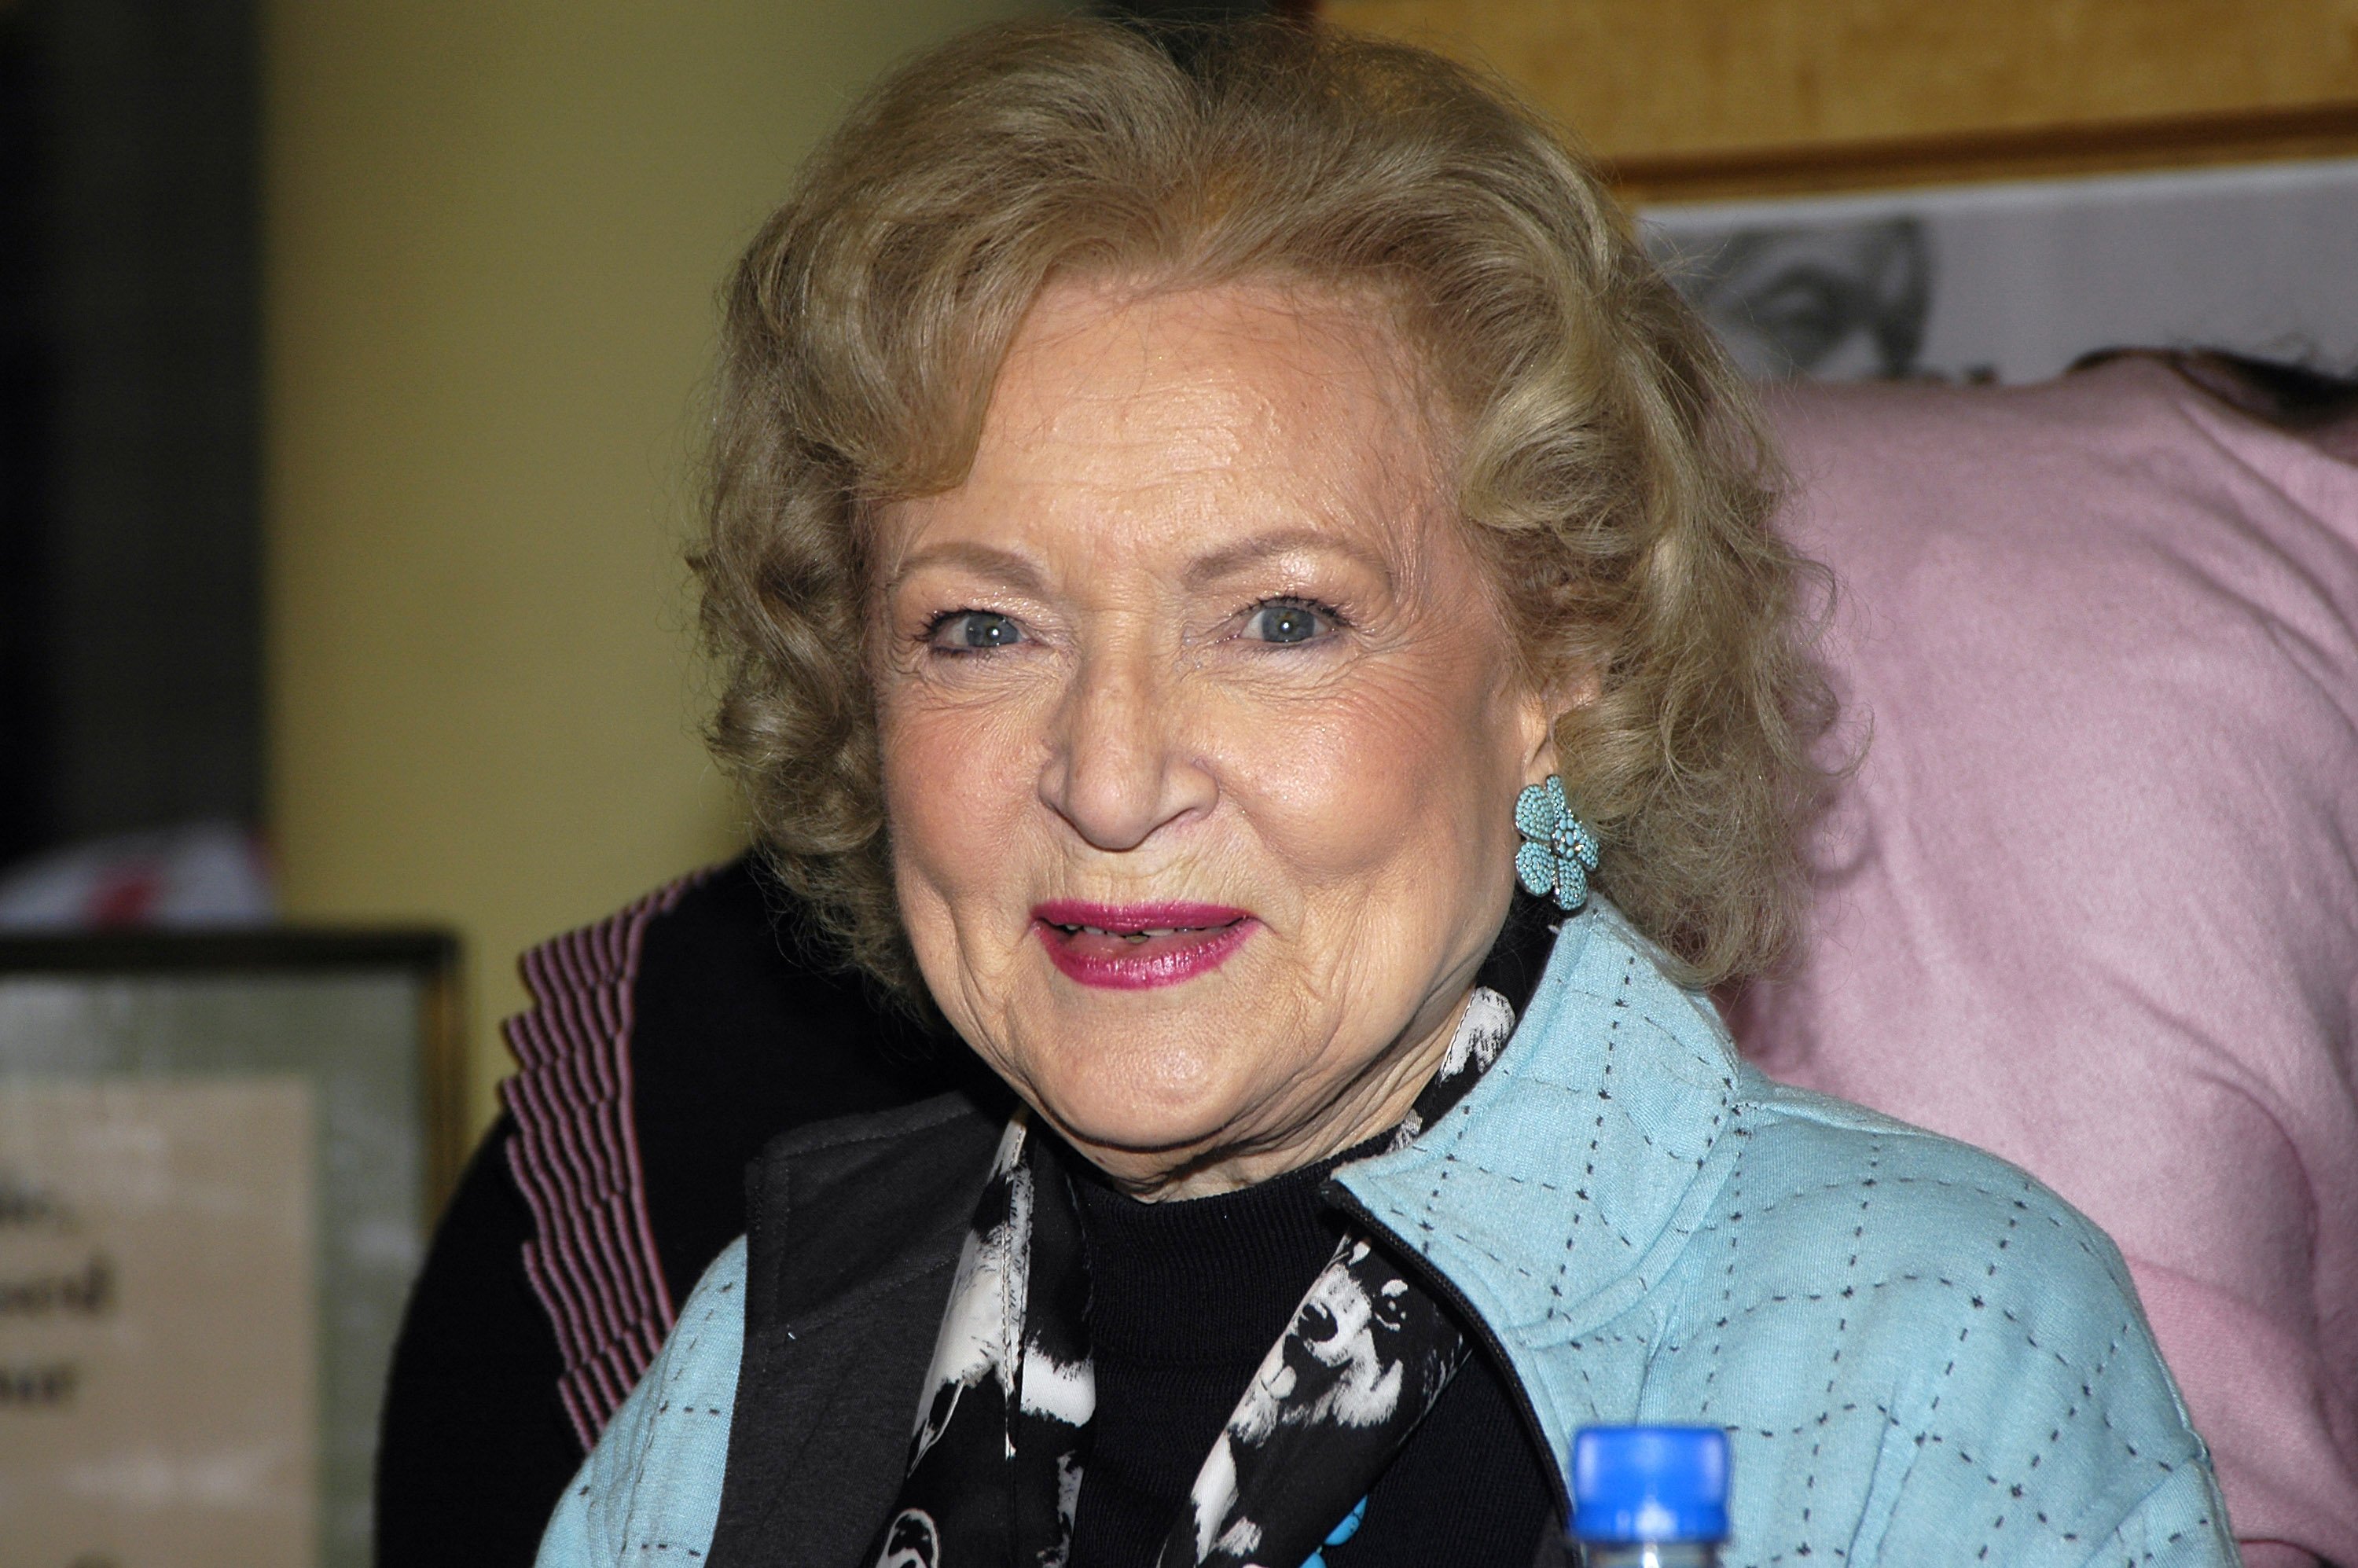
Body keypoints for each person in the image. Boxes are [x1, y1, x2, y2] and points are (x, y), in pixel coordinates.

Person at [531, 20, 2234, 1567]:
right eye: (980, 625)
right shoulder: (780, 1347)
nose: (1111, 777)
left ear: (1558, 667)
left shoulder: (1918, 1347)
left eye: (1282, 618)